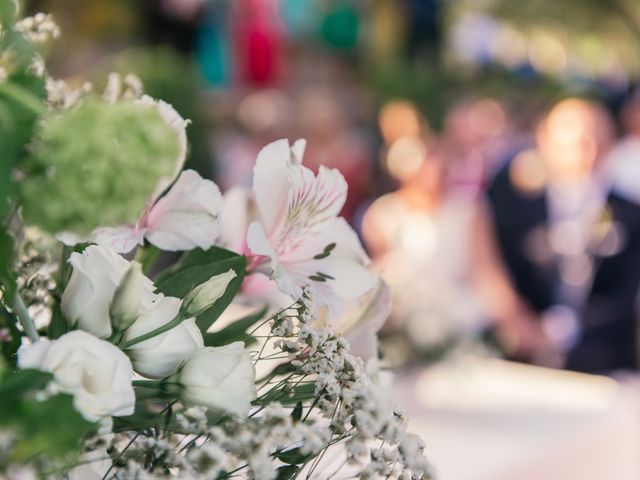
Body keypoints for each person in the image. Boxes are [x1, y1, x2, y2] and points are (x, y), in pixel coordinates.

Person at [479, 98, 640, 373]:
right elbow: (498, 270)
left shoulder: (630, 215)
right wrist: (518, 323)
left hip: (603, 365)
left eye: (594, 141)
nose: (585, 153)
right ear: (545, 142)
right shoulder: (515, 207)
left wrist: (560, 332)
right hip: (519, 362)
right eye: (574, 143)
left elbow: (623, 299)